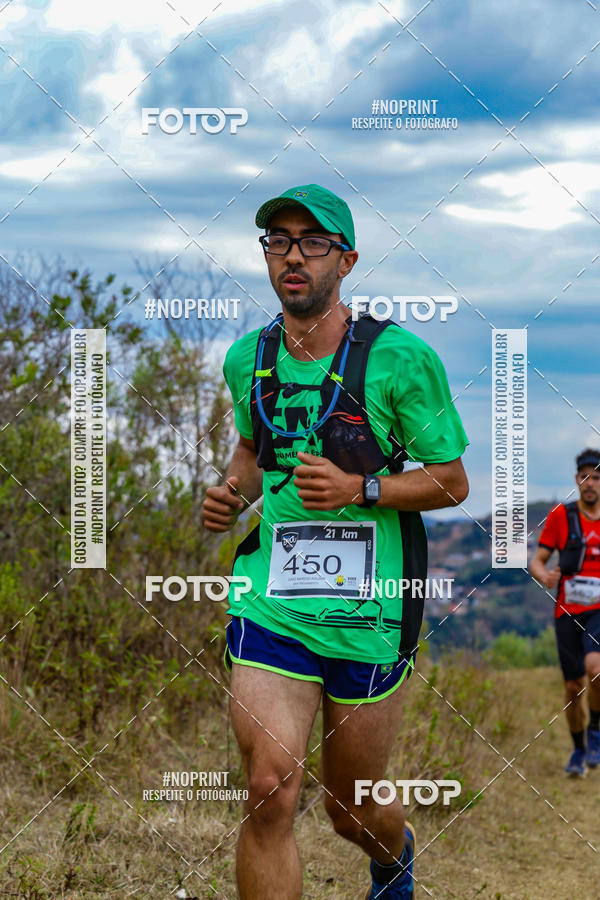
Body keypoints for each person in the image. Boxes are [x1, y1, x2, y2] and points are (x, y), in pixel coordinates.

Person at [202, 183, 469, 899]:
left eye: (312, 242)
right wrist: (231, 495)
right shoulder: (247, 357)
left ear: (345, 260)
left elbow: (452, 482)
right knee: (269, 787)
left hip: (371, 611)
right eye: (278, 241)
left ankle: (392, 854)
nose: (293, 256)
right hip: (274, 604)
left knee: (350, 807)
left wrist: (363, 489)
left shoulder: (400, 360)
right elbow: (255, 454)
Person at [530, 447, 600, 777]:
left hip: (599, 611)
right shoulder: (562, 516)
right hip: (567, 612)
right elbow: (538, 560)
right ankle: (578, 749)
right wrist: (543, 575)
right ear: (577, 480)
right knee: (573, 687)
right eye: (585, 477)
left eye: (597, 478)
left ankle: (596, 732)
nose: (590, 483)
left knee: (595, 669)